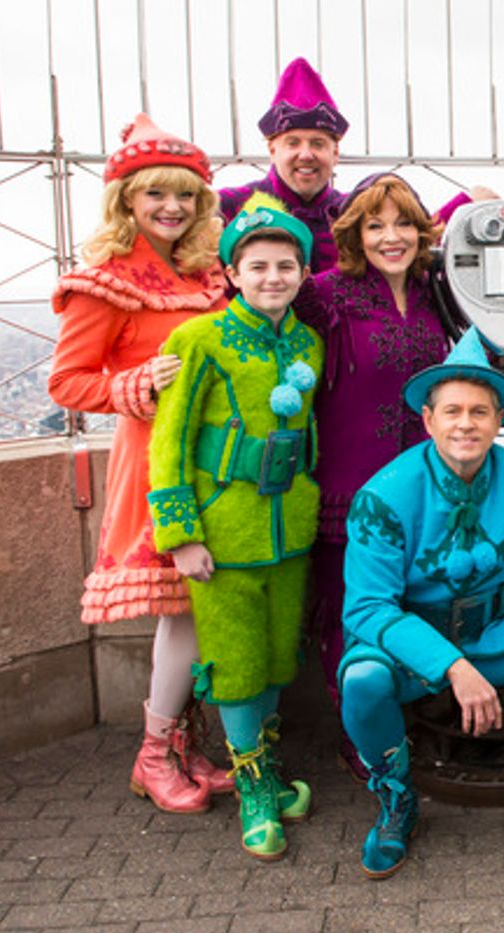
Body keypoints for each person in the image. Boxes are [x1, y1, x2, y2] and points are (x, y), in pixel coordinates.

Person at [339, 329, 504, 879]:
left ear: (497, 421)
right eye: (453, 411)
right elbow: (367, 610)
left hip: (501, 628)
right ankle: (396, 798)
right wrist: (453, 667)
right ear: (429, 420)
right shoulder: (383, 496)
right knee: (362, 680)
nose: (466, 423)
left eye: (480, 412)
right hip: (417, 645)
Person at [48, 114, 232, 814]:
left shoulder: (208, 272)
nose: (172, 208)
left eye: (184, 194)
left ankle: (181, 748)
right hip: (155, 461)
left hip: (215, 462)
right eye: (155, 193)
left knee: (197, 610)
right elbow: (68, 383)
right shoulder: (104, 281)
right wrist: (137, 385)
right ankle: (154, 756)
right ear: (126, 199)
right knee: (180, 615)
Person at [147, 200, 323, 859]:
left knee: (278, 655)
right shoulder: (199, 340)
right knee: (236, 664)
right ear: (232, 272)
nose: (272, 276)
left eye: (285, 265)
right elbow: (170, 444)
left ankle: (266, 769)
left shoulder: (308, 341)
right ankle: (252, 784)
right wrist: (181, 533)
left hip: (291, 532)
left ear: (303, 272)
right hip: (224, 534)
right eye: (258, 266)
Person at [290, 172, 449, 776]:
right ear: (354, 232)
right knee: (350, 610)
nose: (391, 236)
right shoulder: (325, 295)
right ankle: (361, 737)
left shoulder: (440, 293)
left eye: (404, 222)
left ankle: (410, 720)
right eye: (375, 224)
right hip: (348, 486)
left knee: (419, 602)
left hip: (424, 485)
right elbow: (258, 299)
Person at [219, 57, 482, 274]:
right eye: (293, 143)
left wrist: (466, 201)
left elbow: (410, 236)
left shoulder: (355, 211)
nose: (306, 154)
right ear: (272, 149)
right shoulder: (231, 205)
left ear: (336, 152)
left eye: (318, 144)